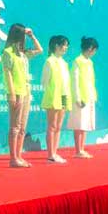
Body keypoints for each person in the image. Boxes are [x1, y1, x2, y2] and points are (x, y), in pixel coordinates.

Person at [1, 23, 43, 168]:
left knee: (22, 127)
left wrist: (32, 36)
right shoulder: (8, 52)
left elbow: (40, 50)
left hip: (26, 91)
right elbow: (7, 75)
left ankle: (19, 156)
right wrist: (12, 94)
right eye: (23, 35)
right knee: (15, 126)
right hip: (16, 92)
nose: (24, 38)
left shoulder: (23, 53)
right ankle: (13, 158)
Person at [41, 35, 72, 163]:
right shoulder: (50, 61)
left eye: (67, 45)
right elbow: (44, 82)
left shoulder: (64, 63)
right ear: (56, 46)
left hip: (64, 96)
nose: (66, 48)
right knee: (52, 126)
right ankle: (50, 155)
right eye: (64, 45)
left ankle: (55, 152)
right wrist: (53, 93)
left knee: (58, 126)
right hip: (53, 97)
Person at [67, 36, 98, 158]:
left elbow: (91, 80)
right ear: (90, 49)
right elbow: (74, 81)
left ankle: (82, 149)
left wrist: (93, 95)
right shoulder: (77, 61)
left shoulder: (90, 62)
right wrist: (77, 98)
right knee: (78, 124)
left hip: (89, 97)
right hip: (80, 99)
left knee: (85, 124)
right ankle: (78, 150)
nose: (94, 53)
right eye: (94, 50)